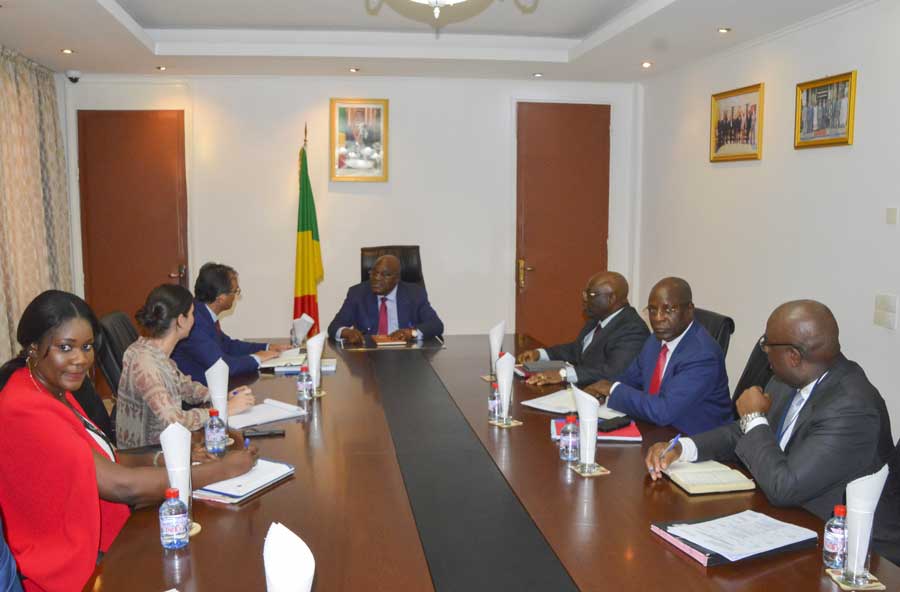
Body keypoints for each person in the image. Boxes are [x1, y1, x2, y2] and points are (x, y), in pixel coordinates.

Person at [0, 290, 258, 591]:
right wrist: (225, 469)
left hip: (102, 538)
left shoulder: (49, 385)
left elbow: (102, 455)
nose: (80, 359)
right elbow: (120, 485)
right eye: (66, 347)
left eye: (86, 347)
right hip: (72, 569)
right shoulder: (24, 406)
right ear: (33, 348)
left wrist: (173, 458)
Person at [645, 300, 894, 521]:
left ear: (793, 356)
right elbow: (743, 432)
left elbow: (785, 488)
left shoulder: (851, 409)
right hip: (775, 511)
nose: (765, 353)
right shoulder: (790, 378)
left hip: (825, 532)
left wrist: (754, 417)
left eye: (767, 346)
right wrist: (682, 448)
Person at [584, 277, 732, 435]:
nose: (658, 318)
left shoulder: (703, 355)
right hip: (657, 429)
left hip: (693, 439)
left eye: (669, 310)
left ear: (689, 310)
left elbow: (663, 411)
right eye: (653, 310)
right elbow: (630, 379)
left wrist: (612, 389)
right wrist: (603, 393)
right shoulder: (655, 340)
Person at [116, 284, 256, 449]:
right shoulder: (145, 363)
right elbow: (175, 421)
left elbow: (185, 387)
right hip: (149, 456)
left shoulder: (154, 351)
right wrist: (222, 411)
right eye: (192, 314)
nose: (194, 319)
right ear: (181, 320)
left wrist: (221, 397)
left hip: (168, 447)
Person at [517, 271, 648, 387]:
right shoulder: (598, 318)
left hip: (604, 399)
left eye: (591, 294)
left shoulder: (632, 329)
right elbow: (577, 350)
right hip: (583, 389)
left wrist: (563, 374)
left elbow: (612, 373)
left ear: (611, 298)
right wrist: (540, 354)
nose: (584, 299)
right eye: (585, 293)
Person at [172, 263, 290, 384]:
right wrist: (257, 357)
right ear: (221, 298)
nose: (236, 296)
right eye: (235, 291)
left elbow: (228, 345)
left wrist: (267, 347)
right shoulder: (194, 322)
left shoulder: (202, 313)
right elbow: (224, 366)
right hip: (198, 392)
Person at [327, 254, 443, 345]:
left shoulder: (414, 294)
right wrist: (346, 332)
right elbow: (334, 326)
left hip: (406, 355)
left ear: (397, 278)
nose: (377, 278)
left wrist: (411, 333)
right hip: (369, 356)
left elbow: (436, 324)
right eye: (374, 273)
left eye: (385, 274)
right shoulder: (357, 293)